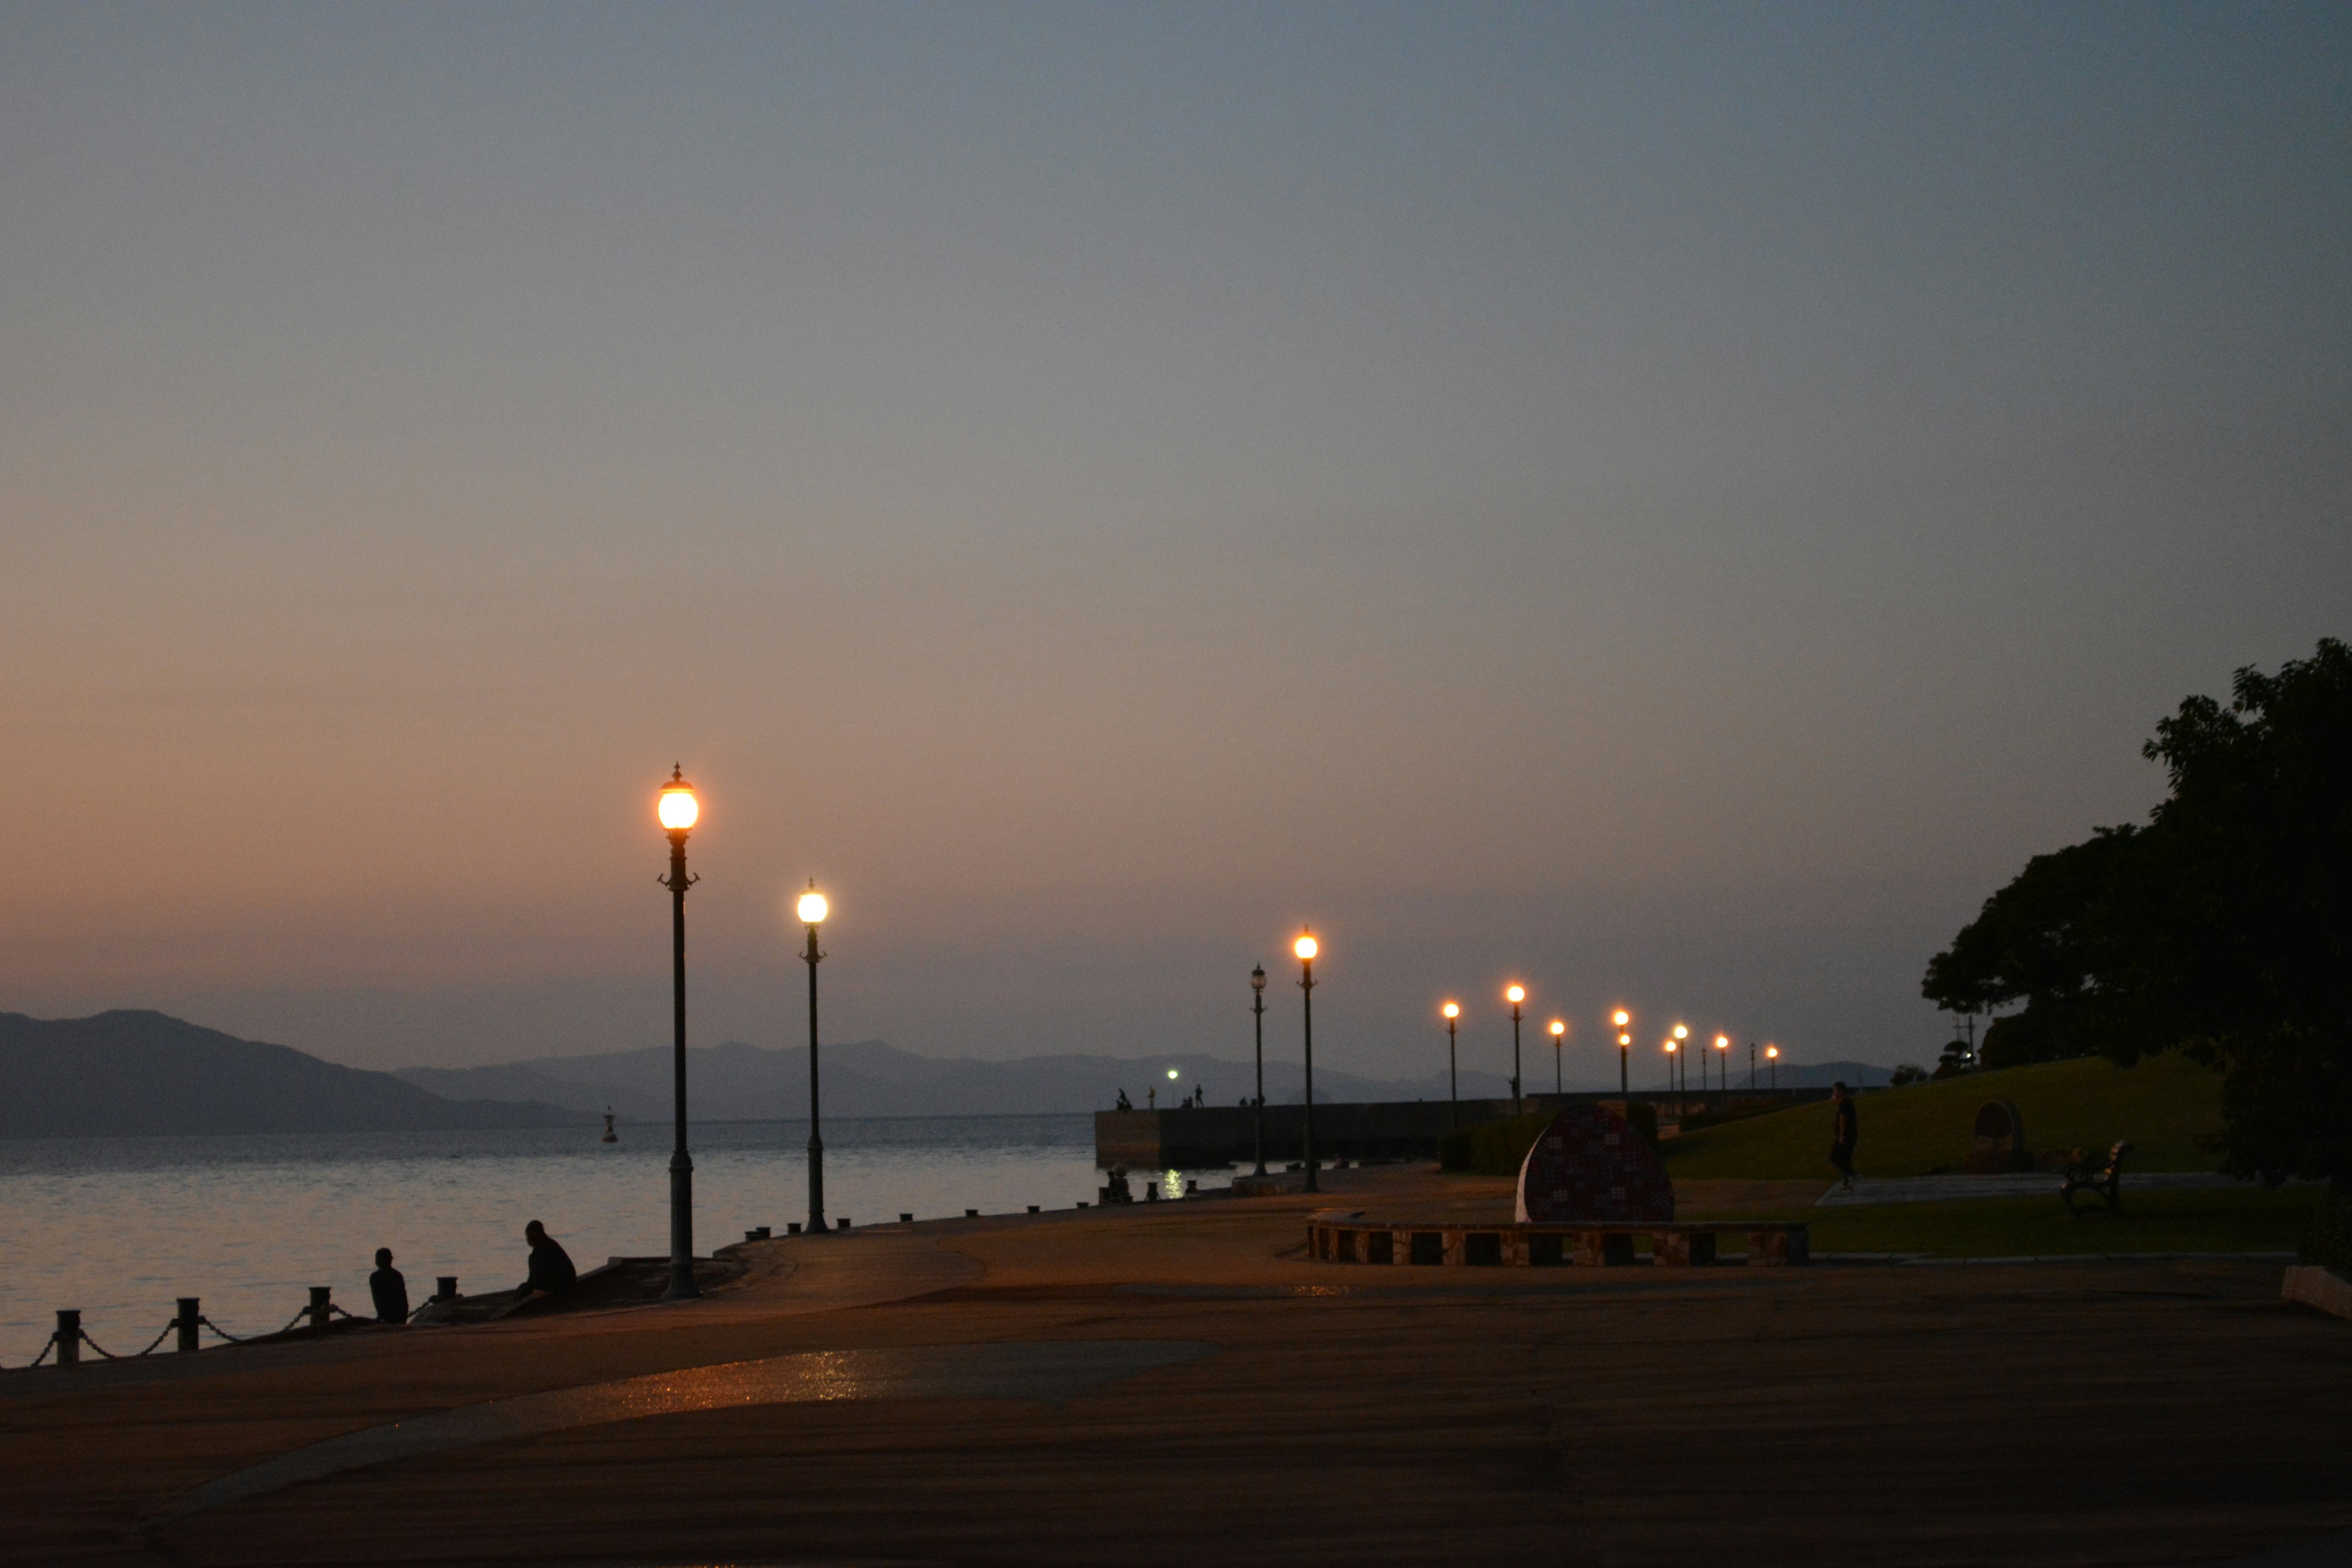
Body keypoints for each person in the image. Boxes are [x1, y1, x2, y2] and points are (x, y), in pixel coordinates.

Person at [516, 1219, 578, 1298]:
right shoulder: (550, 1244)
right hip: (564, 1283)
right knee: (523, 1287)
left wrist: (536, 1288)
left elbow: (542, 1277)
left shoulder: (539, 1254)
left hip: (560, 1287)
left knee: (525, 1291)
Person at [1829, 1081, 1859, 1192]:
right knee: (1845, 1158)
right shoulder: (1844, 1103)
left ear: (1841, 1091)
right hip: (1848, 1135)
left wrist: (1842, 1135)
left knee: (1835, 1157)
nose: (1834, 1093)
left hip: (1846, 1136)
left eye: (1835, 1090)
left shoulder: (1844, 1103)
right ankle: (1848, 1182)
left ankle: (1851, 1175)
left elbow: (1843, 1119)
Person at [369, 1246, 410, 1325]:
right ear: (391, 1260)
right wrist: (403, 1318)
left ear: (377, 1262)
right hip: (400, 1317)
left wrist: (383, 1318)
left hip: (386, 1318)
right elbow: (403, 1300)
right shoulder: (397, 1275)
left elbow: (379, 1301)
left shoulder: (375, 1277)